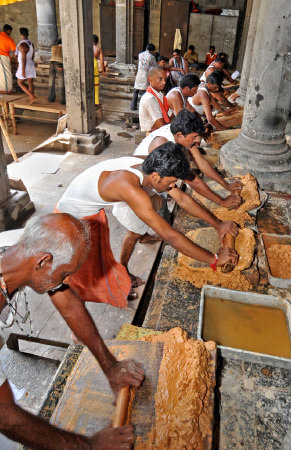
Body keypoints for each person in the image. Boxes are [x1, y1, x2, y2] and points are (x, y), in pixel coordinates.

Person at [0, 213, 143, 449]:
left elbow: (68, 303)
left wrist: (111, 367)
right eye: (65, 273)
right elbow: (5, 416)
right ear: (44, 262)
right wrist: (88, 445)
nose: (64, 280)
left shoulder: (19, 248)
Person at [56, 144, 239, 290]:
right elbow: (170, 236)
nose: (173, 186)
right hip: (71, 216)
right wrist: (214, 259)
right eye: (172, 182)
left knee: (155, 203)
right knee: (80, 274)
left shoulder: (150, 166)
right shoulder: (133, 190)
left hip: (90, 202)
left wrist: (218, 224)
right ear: (157, 176)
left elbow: (182, 198)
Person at [134, 109, 242, 209]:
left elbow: (201, 162)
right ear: (180, 136)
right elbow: (193, 181)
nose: (196, 141)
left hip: (159, 178)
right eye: (194, 137)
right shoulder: (162, 145)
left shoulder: (182, 134)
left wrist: (226, 184)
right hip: (142, 183)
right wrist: (222, 202)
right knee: (154, 210)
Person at [139, 65, 174, 133]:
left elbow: (171, 117)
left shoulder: (161, 95)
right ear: (150, 79)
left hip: (160, 130)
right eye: (160, 79)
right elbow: (161, 125)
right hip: (153, 134)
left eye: (165, 79)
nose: (164, 82)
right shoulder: (150, 98)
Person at [131, 43, 156, 111]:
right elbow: (154, 66)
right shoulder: (152, 57)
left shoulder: (140, 54)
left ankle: (133, 107)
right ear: (152, 50)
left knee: (136, 90)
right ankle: (142, 107)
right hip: (146, 74)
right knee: (144, 92)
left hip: (139, 73)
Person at [15, 27, 36, 104]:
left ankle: (32, 96)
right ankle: (32, 99)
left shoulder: (22, 45)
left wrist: (23, 70)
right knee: (30, 82)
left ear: (20, 35)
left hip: (24, 64)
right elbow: (33, 55)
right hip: (30, 63)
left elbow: (23, 59)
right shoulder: (31, 44)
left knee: (20, 82)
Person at [48, 39, 65, 105]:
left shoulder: (53, 47)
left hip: (52, 63)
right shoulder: (64, 48)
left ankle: (50, 98)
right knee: (60, 82)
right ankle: (62, 100)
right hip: (59, 64)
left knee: (51, 81)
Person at [0, 24, 16, 93]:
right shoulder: (9, 39)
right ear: (9, 31)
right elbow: (14, 51)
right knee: (6, 73)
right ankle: (7, 89)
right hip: (3, 56)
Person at [93, 34, 106, 106]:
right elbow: (101, 61)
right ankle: (96, 102)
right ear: (97, 41)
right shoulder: (98, 49)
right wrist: (103, 71)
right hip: (94, 64)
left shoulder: (86, 48)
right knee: (96, 85)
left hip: (87, 64)